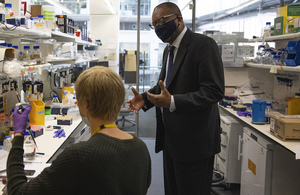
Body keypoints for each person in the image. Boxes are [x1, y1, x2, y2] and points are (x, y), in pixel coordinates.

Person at [127, 2, 224, 195]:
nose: (158, 28)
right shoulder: (168, 50)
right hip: (171, 140)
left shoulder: (203, 45)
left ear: (179, 19)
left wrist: (173, 102)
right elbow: (165, 86)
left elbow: (214, 91)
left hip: (195, 143)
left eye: (162, 21)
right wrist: (145, 99)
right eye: (154, 24)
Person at [7, 66, 151, 195]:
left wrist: (19, 134)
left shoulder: (79, 155)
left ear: (85, 105)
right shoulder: (141, 148)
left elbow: (18, 192)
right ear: (120, 102)